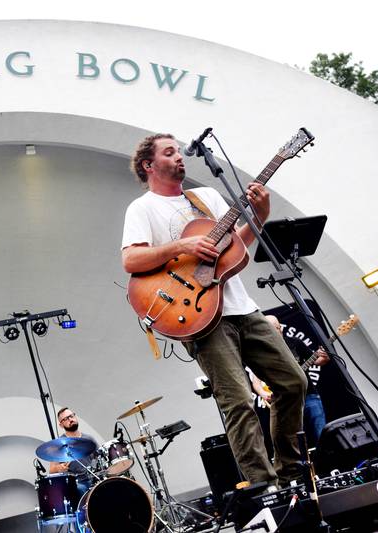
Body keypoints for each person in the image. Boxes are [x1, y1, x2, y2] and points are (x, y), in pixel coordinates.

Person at [120, 133, 307, 488]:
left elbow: (235, 247)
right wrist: (183, 244)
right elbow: (130, 258)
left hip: (243, 308)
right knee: (238, 401)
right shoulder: (142, 208)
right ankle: (264, 486)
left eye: (179, 151)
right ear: (148, 165)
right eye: (169, 152)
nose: (179, 157)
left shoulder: (204, 197)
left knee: (293, 382)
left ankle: (291, 474)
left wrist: (261, 216)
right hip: (201, 316)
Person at [265, 314, 330, 447]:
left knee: (322, 433)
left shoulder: (294, 342)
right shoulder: (265, 351)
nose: (276, 332)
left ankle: (329, 464)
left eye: (277, 328)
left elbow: (318, 360)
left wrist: (325, 357)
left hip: (309, 395)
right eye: (271, 329)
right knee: (295, 441)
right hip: (287, 402)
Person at [49, 407, 99, 494]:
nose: (70, 420)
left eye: (71, 416)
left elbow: (101, 457)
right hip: (76, 483)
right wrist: (59, 468)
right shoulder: (59, 444)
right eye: (66, 419)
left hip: (93, 479)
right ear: (61, 425)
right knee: (80, 489)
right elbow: (51, 470)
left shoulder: (89, 439)